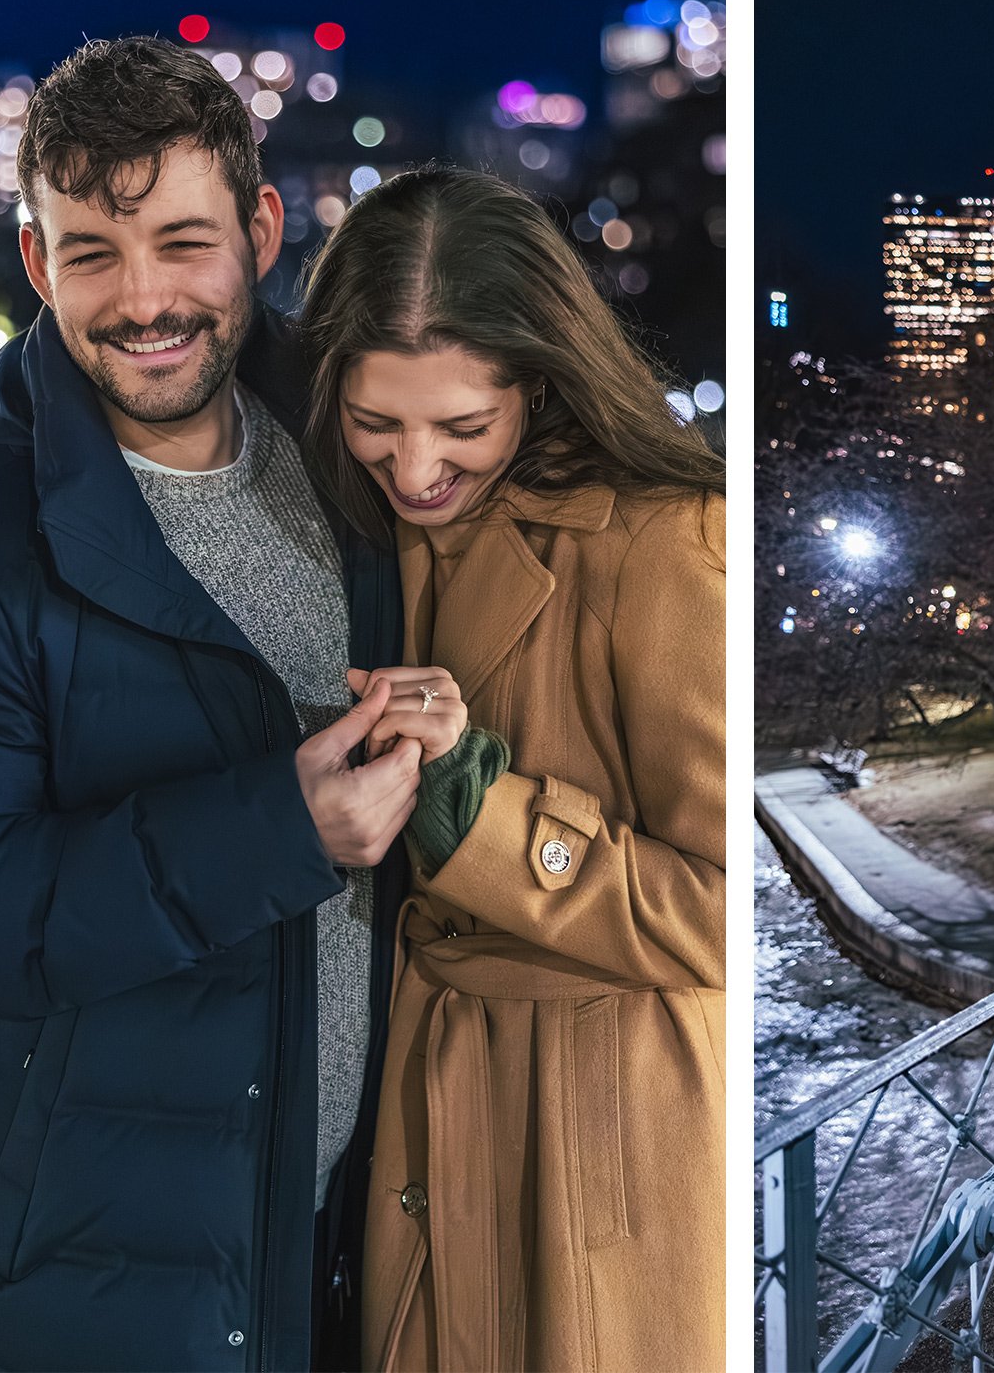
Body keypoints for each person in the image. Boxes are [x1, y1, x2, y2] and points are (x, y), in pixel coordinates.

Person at [0, 37, 412, 1369]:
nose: (144, 300)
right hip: (86, 1294)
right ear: (37, 262)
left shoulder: (362, 465)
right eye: (92, 253)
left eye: (183, 243)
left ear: (261, 230)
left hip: (338, 1257)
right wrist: (278, 832)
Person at [294, 167, 726, 1372]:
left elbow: (720, 908)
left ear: (538, 383)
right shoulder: (343, 527)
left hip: (596, 1129)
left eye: (462, 428)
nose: (417, 466)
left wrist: (478, 811)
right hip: (418, 1100)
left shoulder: (663, 541)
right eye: (377, 423)